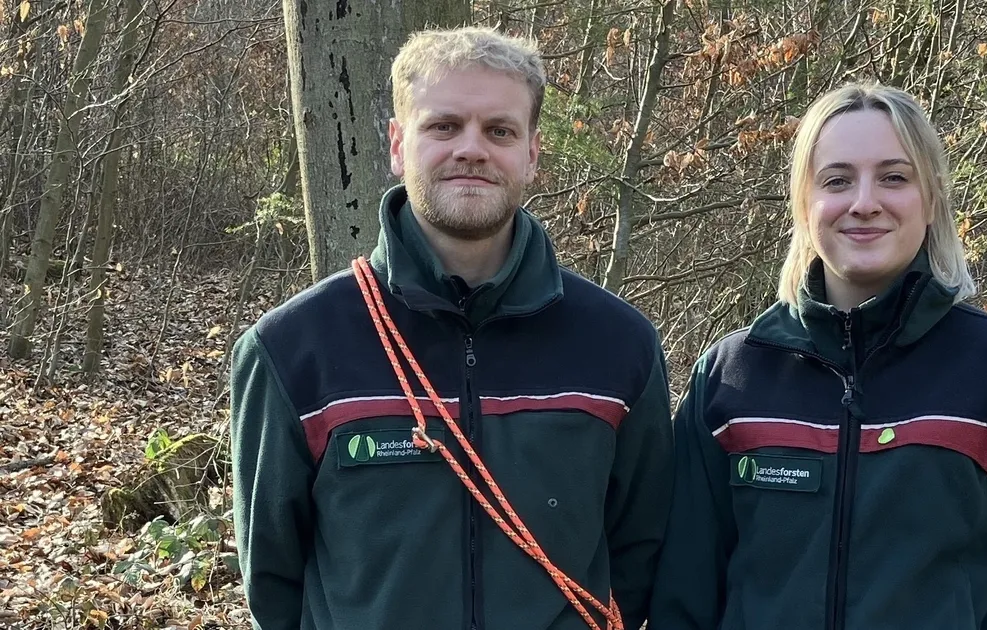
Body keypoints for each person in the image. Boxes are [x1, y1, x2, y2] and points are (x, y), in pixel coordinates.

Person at [646, 82, 987, 630]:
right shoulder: (732, 380)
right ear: (804, 202)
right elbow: (685, 593)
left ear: (930, 198)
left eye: (894, 177)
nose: (864, 203)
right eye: (837, 180)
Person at [229, 26, 673, 630]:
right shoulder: (292, 350)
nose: (472, 149)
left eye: (500, 131)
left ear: (532, 154)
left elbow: (639, 556)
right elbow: (273, 583)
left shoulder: (619, 348)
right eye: (444, 126)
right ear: (397, 143)